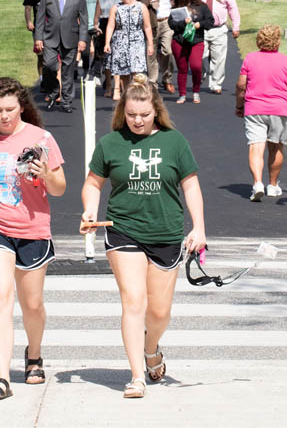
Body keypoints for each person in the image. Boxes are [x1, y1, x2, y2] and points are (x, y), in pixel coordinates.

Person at [80, 75, 206, 399]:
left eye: (144, 115)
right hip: (123, 229)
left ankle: (152, 349)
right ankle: (137, 376)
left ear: (156, 112)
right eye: (132, 114)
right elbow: (93, 183)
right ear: (124, 111)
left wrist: (199, 227)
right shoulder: (111, 144)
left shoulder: (174, 142)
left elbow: (190, 185)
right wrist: (90, 211)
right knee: (133, 301)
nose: (137, 120)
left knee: (160, 312)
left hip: (165, 232)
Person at [0, 77, 66, 400]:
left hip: (33, 229)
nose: (4, 116)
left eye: (9, 109)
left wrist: (46, 173)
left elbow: (60, 188)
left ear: (22, 106)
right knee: (0, 297)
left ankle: (33, 355)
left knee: (31, 305)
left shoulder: (41, 139)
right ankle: (2, 377)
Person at [235, 25, 287, 201]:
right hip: (279, 109)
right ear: (278, 41)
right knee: (276, 147)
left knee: (256, 147)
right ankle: (272, 184)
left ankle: (257, 183)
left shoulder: (250, 59)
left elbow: (241, 85)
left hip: (254, 108)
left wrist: (239, 105)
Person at [34, 0, 88, 113]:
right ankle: (53, 91)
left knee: (68, 71)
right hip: (50, 37)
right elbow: (39, 18)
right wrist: (38, 37)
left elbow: (83, 18)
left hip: (71, 37)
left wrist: (83, 39)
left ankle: (66, 101)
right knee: (49, 66)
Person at [192, 0, 240, 94]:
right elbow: (190, 7)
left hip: (218, 29)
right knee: (200, 57)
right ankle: (202, 73)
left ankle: (216, 84)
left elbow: (233, 8)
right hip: (200, 28)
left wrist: (236, 26)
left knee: (219, 58)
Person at [104, 0, 154, 100]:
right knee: (123, 69)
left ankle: (138, 93)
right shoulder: (116, 8)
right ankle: (124, 92)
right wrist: (107, 42)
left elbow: (147, 26)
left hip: (137, 40)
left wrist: (150, 44)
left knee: (137, 69)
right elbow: (110, 26)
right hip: (120, 40)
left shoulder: (141, 7)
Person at [168, 0, 214, 105]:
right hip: (179, 41)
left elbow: (210, 21)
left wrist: (200, 24)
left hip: (196, 40)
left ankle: (196, 91)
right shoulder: (176, 9)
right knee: (182, 69)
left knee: (195, 66)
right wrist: (184, 22)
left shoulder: (201, 6)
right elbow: (172, 24)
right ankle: (182, 94)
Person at [136, 0, 176, 93]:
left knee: (167, 51)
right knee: (151, 53)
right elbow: (136, 1)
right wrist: (146, 3)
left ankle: (167, 78)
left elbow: (176, 4)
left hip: (166, 22)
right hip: (150, 23)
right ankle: (153, 82)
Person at [24, 0, 54, 86]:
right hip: (39, 28)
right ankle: (42, 79)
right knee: (40, 55)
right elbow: (27, 8)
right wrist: (29, 22)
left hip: (53, 27)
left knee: (53, 55)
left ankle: (54, 78)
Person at [93, 0, 121, 96]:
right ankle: (109, 84)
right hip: (104, 25)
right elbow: (97, 15)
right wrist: (96, 26)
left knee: (119, 57)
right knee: (107, 57)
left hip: (120, 25)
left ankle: (119, 85)